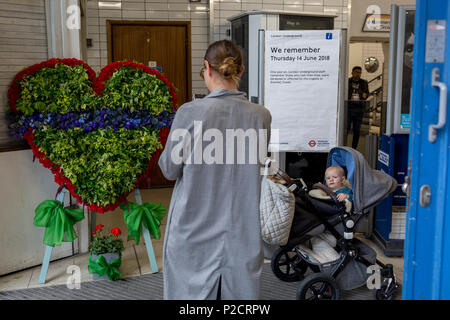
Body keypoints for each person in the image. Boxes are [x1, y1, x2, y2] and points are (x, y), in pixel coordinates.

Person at [158, 40, 272, 300]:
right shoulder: (261, 115)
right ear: (240, 72)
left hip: (193, 230)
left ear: (207, 68)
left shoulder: (189, 113)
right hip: (241, 231)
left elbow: (169, 170)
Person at [347, 66, 369, 149]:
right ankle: (344, 146)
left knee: (357, 130)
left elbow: (367, 93)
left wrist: (365, 95)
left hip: (359, 109)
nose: (358, 74)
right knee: (346, 129)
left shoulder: (364, 82)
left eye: (359, 72)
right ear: (352, 73)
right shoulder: (347, 81)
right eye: (356, 72)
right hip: (348, 107)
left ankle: (354, 148)